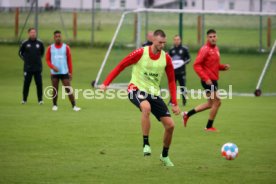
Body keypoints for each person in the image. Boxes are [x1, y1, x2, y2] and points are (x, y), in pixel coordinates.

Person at [100, 29, 180, 166]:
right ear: (153, 40)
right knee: (146, 107)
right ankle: (146, 143)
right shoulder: (141, 53)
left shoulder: (166, 58)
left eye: (164, 43)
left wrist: (174, 102)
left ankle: (164, 156)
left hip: (154, 93)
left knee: (170, 125)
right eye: (160, 42)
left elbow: (172, 81)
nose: (162, 45)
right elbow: (121, 65)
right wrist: (106, 83)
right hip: (136, 89)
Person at [182, 29, 230, 132]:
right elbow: (196, 65)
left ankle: (187, 114)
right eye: (210, 37)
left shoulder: (216, 48)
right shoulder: (205, 49)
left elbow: (213, 65)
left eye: (214, 36)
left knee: (210, 104)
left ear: (216, 37)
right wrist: (206, 78)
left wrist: (222, 67)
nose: (213, 38)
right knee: (217, 102)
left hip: (213, 80)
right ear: (207, 38)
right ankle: (208, 127)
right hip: (208, 81)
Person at [45, 30, 81, 112]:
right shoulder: (50, 48)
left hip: (64, 72)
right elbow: (47, 60)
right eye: (56, 36)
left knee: (68, 89)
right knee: (55, 89)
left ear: (61, 37)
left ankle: (74, 106)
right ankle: (54, 105)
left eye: (59, 36)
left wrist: (70, 72)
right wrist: (52, 67)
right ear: (54, 38)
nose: (58, 38)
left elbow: (69, 61)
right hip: (54, 73)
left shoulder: (66, 47)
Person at [19, 28, 45, 105]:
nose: (33, 34)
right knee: (26, 84)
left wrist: (37, 59)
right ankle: (24, 100)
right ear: (28, 33)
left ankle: (40, 100)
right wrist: (26, 59)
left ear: (36, 33)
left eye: (34, 32)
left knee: (39, 84)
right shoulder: (25, 43)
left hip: (37, 68)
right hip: (28, 68)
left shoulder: (40, 43)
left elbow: (42, 53)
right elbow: (20, 53)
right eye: (31, 32)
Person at [168, 35, 191, 106]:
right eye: (175, 40)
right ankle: (171, 101)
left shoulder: (184, 49)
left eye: (178, 39)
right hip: (173, 72)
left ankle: (184, 101)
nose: (176, 41)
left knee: (182, 87)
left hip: (181, 72)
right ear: (173, 41)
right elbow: (168, 59)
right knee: (172, 87)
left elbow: (189, 58)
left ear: (180, 40)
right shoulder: (171, 49)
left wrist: (184, 62)